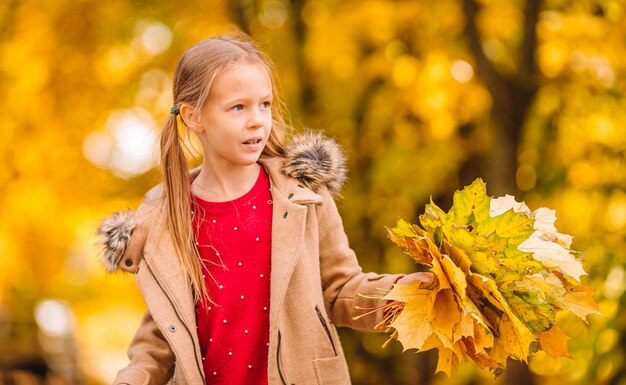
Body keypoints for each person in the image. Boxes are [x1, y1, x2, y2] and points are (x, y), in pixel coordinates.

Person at [97, 33, 433, 385]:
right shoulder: (165, 219)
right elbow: (159, 339)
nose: (257, 120)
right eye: (238, 107)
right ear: (194, 116)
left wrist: (403, 294)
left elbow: (340, 290)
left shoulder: (303, 194)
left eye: (265, 104)